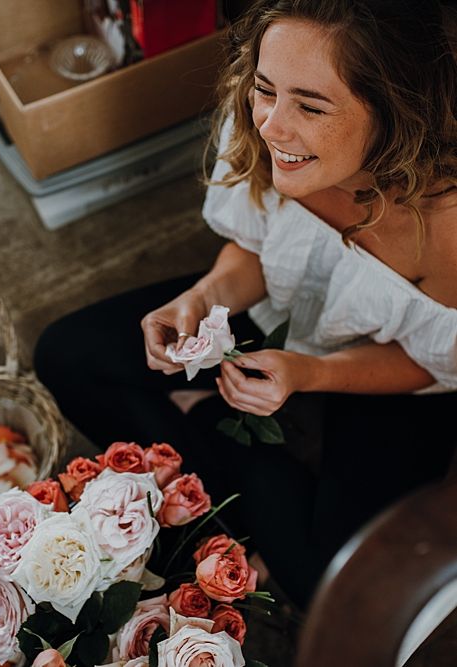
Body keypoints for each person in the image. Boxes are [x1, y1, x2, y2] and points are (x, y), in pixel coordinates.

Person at [34, 0, 457, 609]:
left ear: (397, 114)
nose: (272, 126)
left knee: (330, 591)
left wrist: (312, 373)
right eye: (265, 89)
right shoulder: (265, 128)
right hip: (279, 316)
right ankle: (241, 471)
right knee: (65, 355)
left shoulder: (445, 225)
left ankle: (218, 449)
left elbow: (435, 363)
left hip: (391, 372)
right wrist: (203, 296)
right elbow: (259, 248)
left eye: (311, 106)